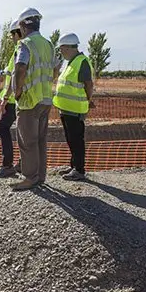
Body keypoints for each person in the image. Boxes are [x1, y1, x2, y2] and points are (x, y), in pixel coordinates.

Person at [11, 7, 56, 191]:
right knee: (40, 140)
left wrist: (18, 91)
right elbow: (54, 70)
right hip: (45, 99)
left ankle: (30, 177)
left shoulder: (26, 44)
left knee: (27, 141)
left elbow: (21, 68)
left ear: (23, 25)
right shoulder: (48, 44)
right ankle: (40, 175)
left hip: (29, 101)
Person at [53, 32, 95, 181]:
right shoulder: (70, 62)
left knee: (76, 140)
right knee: (71, 139)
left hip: (75, 109)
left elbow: (88, 85)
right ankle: (73, 166)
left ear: (68, 47)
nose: (61, 52)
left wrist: (88, 100)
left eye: (62, 49)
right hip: (66, 109)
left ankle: (79, 170)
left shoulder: (81, 61)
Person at [0, 19, 22, 180]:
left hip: (13, 100)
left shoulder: (20, 50)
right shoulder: (23, 49)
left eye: (12, 35)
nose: (11, 38)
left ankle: (8, 165)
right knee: (25, 131)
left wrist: (6, 98)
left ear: (17, 33)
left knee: (2, 128)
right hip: (18, 98)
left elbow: (14, 78)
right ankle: (21, 163)